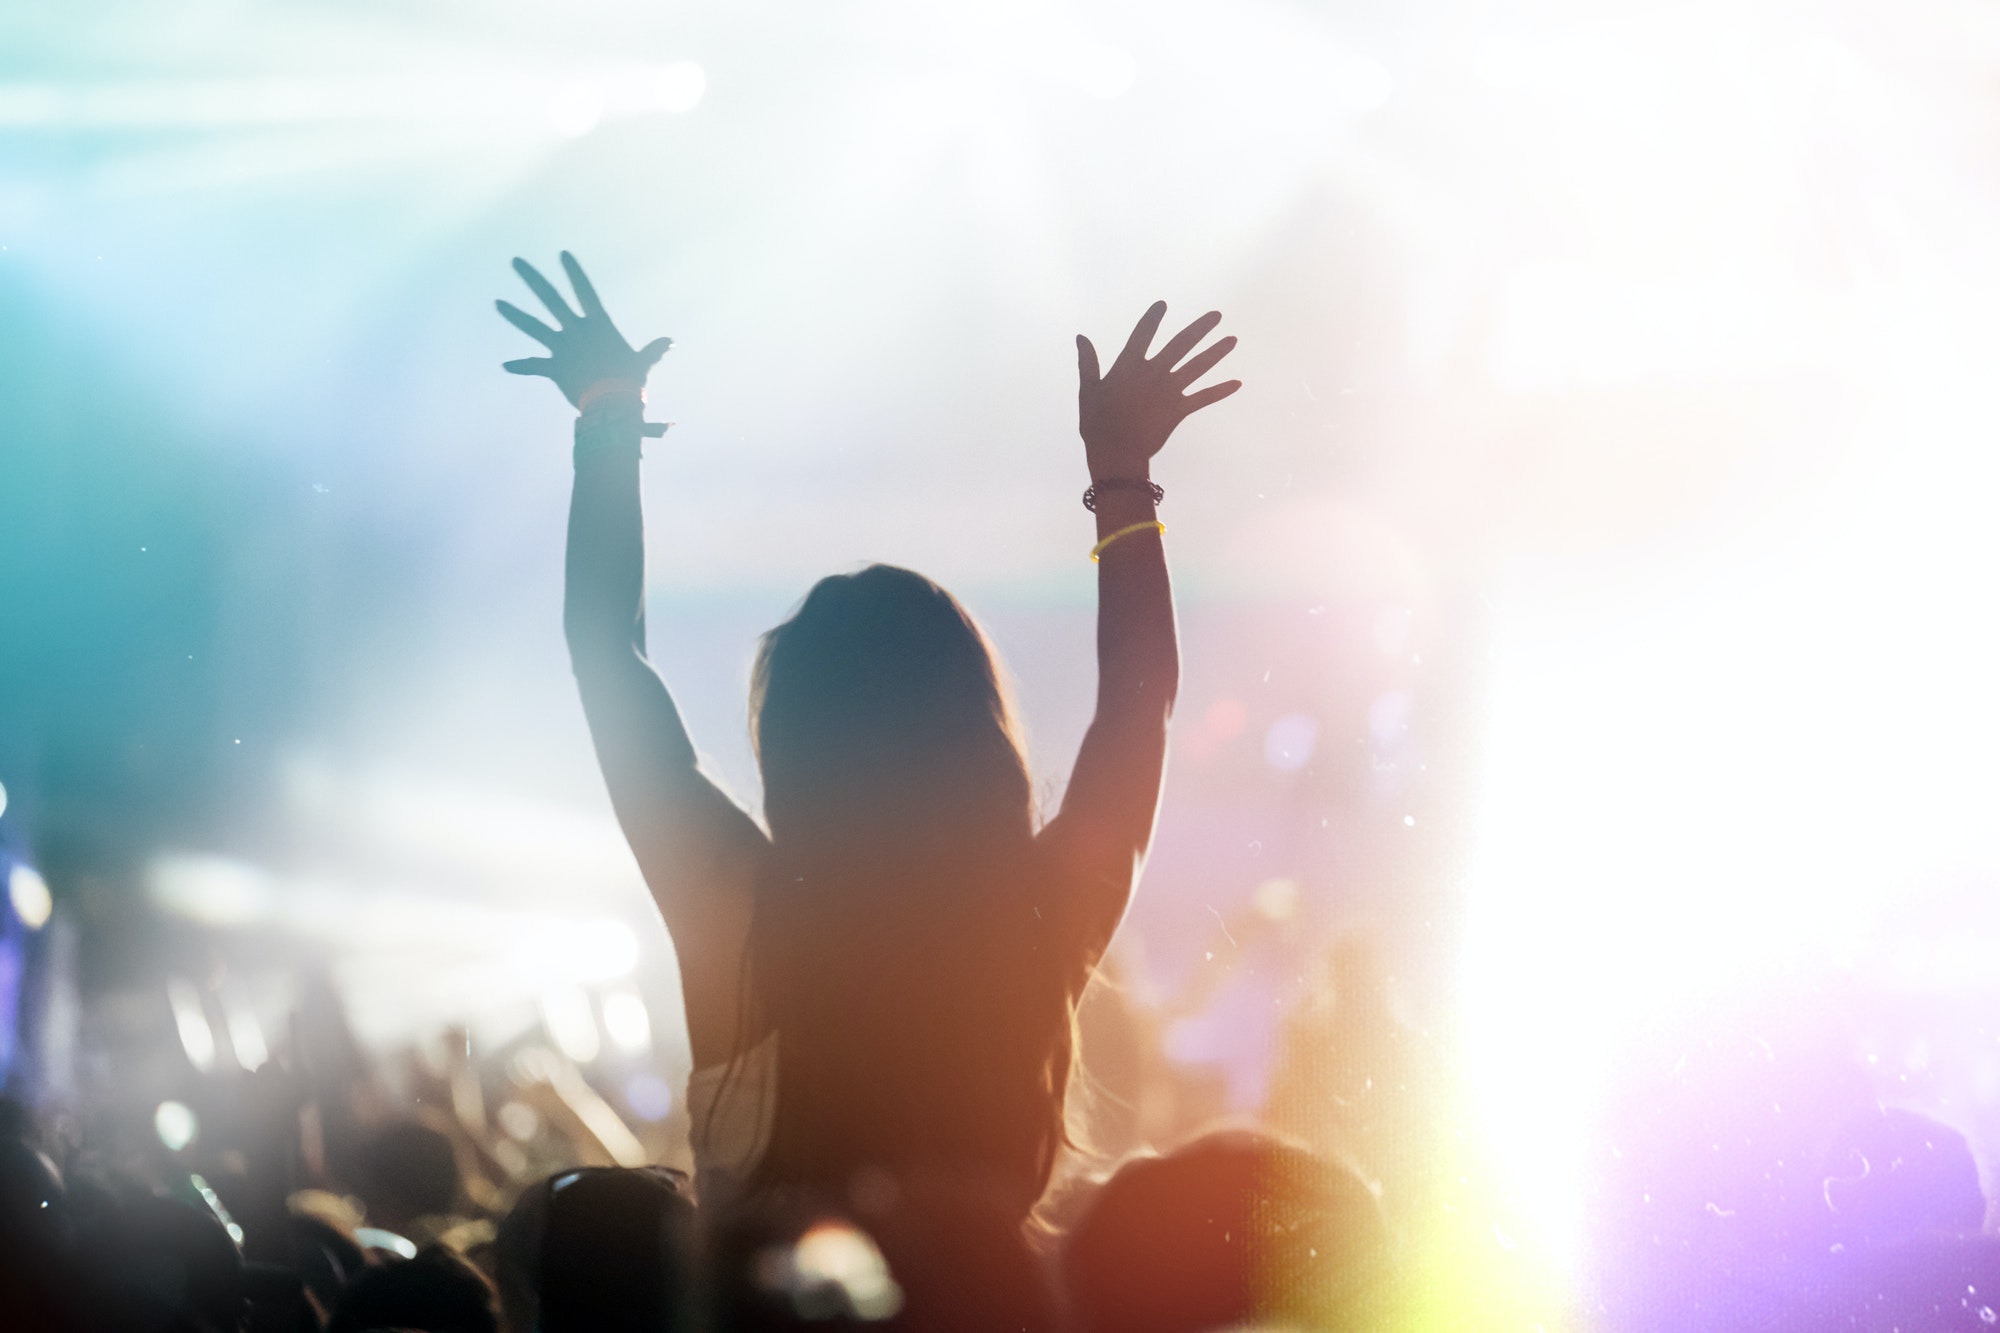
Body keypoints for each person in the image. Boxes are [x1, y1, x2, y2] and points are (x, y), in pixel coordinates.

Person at [496, 255, 1239, 1229]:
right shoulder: (1038, 926)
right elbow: (1137, 707)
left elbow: (606, 655)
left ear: (795, 745)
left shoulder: (735, 910)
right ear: (979, 735)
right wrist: (1121, 481)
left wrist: (607, 416)